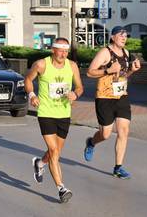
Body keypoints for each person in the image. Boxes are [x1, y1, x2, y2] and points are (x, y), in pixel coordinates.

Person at [24, 37, 83, 203]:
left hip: (64, 113)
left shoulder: (72, 66)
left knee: (55, 151)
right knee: (54, 151)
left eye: (66, 51)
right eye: (61, 50)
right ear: (53, 50)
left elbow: (80, 86)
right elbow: (28, 79)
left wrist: (75, 94)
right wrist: (32, 95)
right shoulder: (42, 64)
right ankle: (61, 188)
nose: (64, 54)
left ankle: (40, 163)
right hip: (46, 112)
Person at [83, 26, 141, 179]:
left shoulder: (127, 53)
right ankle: (91, 142)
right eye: (121, 35)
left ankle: (118, 167)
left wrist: (132, 70)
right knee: (106, 134)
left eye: (126, 35)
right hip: (105, 98)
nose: (124, 37)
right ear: (113, 37)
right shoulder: (105, 53)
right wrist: (107, 70)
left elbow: (123, 75)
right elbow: (89, 72)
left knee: (124, 131)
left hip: (121, 96)